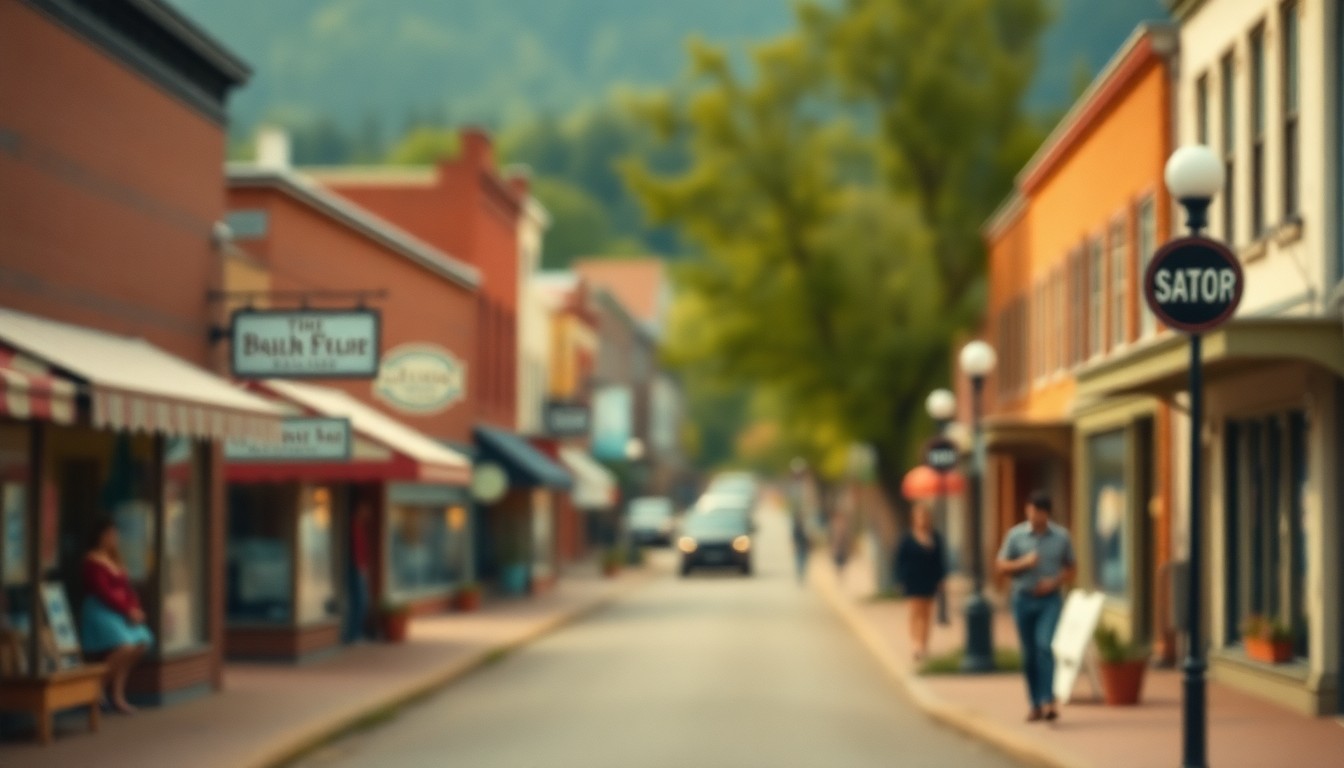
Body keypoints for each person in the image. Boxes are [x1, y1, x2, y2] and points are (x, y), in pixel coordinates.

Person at [996, 491, 1076, 723]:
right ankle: (1034, 704)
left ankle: (1048, 700)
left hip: (1049, 600)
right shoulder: (1016, 536)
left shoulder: (1061, 537)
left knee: (1044, 645)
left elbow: (1071, 568)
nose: (1033, 516)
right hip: (1022, 599)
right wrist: (1024, 562)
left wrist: (1054, 582)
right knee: (1028, 654)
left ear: (1046, 513)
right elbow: (1000, 565)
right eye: (1030, 510)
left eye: (1038, 512)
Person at [80, 518, 153, 714]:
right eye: (111, 534)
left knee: (141, 643)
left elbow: (127, 588)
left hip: (122, 610)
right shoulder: (92, 560)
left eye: (115, 534)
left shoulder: (116, 559)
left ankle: (118, 696)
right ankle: (96, 689)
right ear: (101, 536)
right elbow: (104, 592)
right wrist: (127, 610)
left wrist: (135, 608)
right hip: (101, 610)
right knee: (124, 646)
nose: (115, 538)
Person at [894, 503, 946, 661]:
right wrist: (900, 580)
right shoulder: (907, 538)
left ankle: (924, 644)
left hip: (929, 580)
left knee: (927, 614)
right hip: (912, 580)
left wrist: (940, 579)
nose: (922, 519)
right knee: (914, 612)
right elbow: (900, 560)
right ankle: (916, 644)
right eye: (919, 516)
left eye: (924, 516)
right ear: (914, 518)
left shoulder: (935, 537)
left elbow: (939, 560)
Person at [345, 501, 373, 644]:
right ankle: (353, 635)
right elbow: (355, 550)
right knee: (359, 602)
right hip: (355, 569)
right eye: (365, 510)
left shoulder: (360, 527)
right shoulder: (353, 526)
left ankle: (357, 633)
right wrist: (360, 567)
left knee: (362, 601)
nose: (368, 514)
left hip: (360, 568)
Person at [790, 511, 810, 585]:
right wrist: (794, 546)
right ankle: (800, 575)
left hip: (804, 546)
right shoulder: (796, 527)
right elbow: (793, 537)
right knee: (799, 561)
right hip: (799, 546)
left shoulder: (805, 526)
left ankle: (802, 575)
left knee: (803, 561)